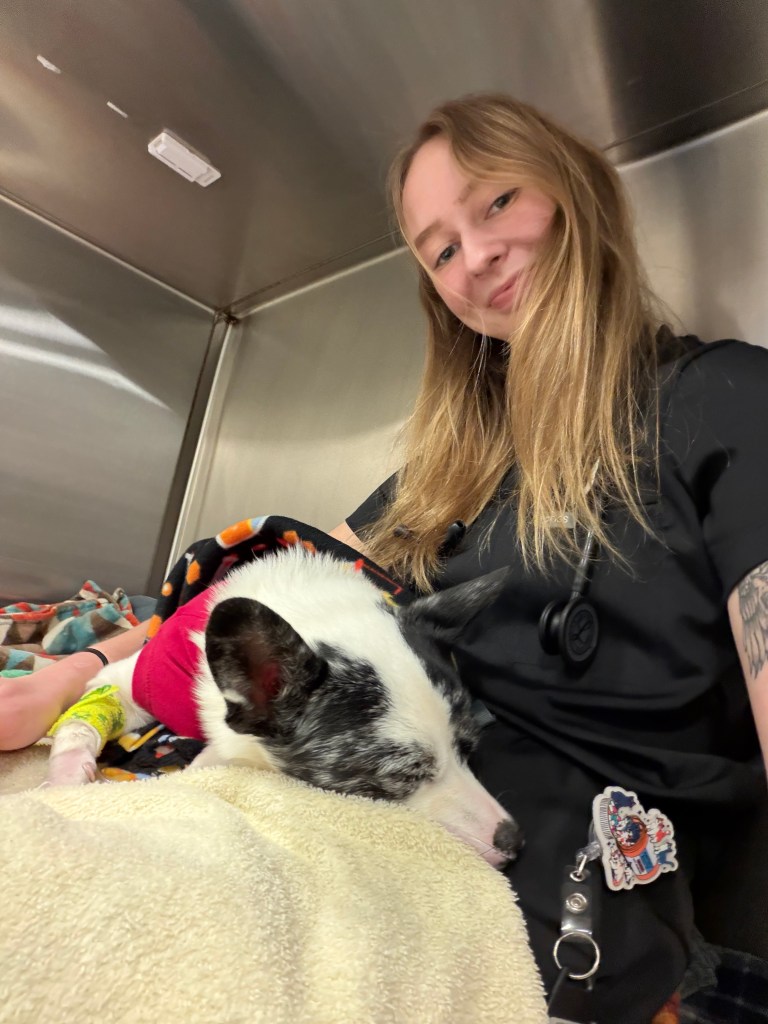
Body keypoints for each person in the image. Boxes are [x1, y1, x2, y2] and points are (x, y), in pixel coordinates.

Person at [330, 93, 768, 1023]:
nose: (475, 256)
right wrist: (81, 673)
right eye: (440, 250)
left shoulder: (726, 397)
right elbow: (283, 580)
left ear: (576, 191)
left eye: (497, 201)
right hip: (383, 846)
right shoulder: (450, 471)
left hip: (593, 915)